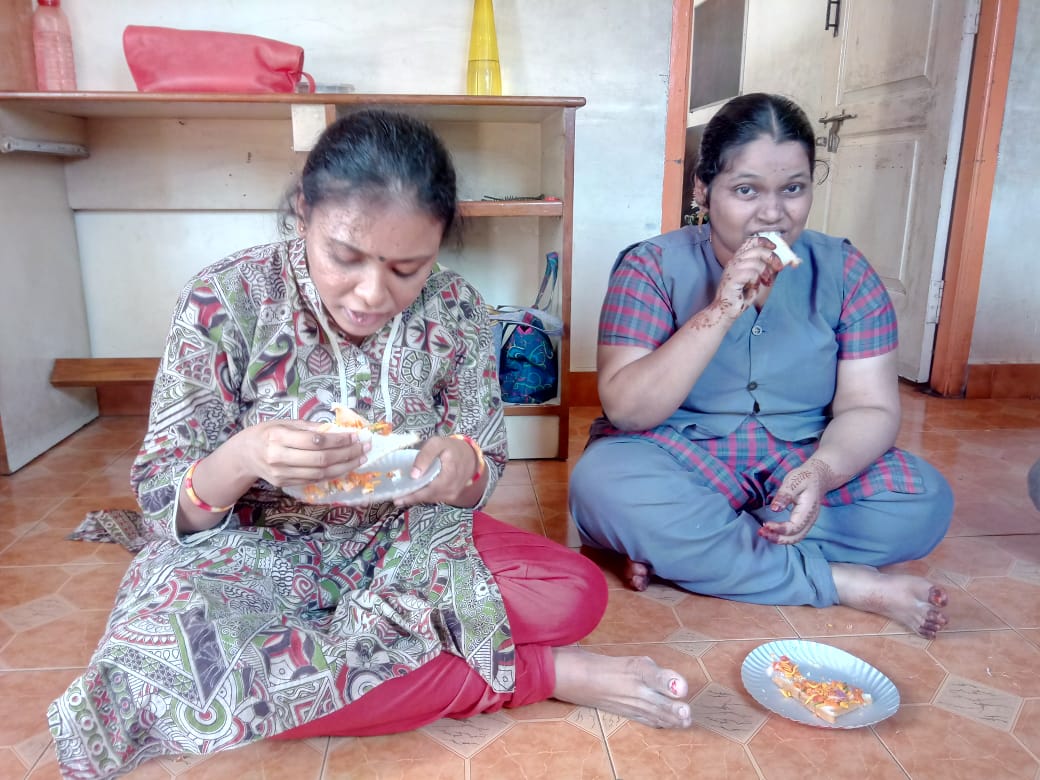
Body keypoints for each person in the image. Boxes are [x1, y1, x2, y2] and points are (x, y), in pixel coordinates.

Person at [48, 109, 691, 778]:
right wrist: (244, 456)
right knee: (156, 662)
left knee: (573, 593)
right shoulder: (225, 298)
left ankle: (342, 669)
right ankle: (543, 673)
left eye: (407, 268)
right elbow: (164, 499)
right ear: (304, 212)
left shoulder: (458, 308)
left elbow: (484, 459)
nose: (371, 294)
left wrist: (461, 467)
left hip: (409, 540)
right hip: (249, 548)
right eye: (345, 257)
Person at [569, 93, 954, 640]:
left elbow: (870, 406)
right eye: (746, 190)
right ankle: (839, 581)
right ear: (703, 190)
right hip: (677, 454)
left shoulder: (846, 271)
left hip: (802, 458)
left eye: (793, 189)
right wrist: (722, 309)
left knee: (923, 502)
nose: (773, 214)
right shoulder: (650, 266)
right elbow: (628, 411)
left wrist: (821, 473)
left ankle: (696, 549)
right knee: (603, 486)